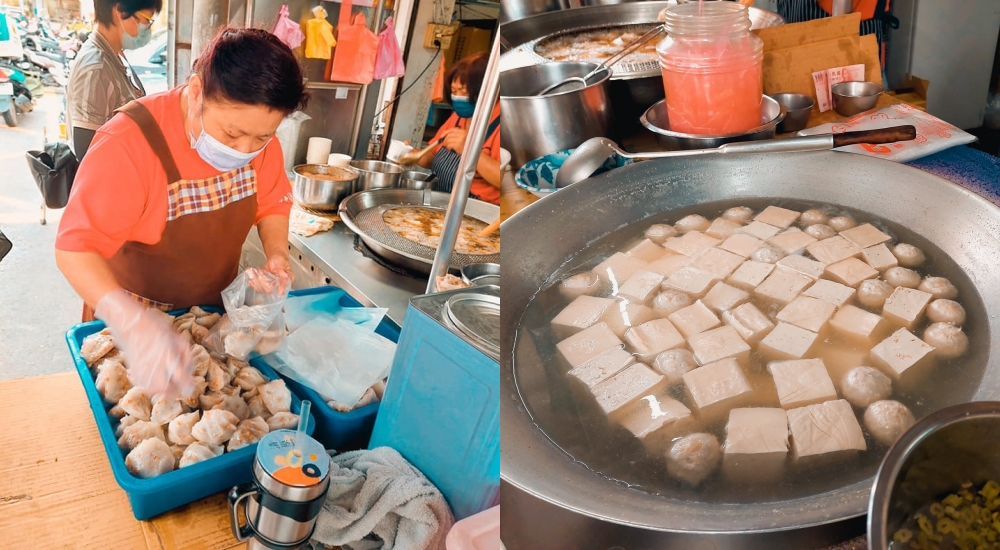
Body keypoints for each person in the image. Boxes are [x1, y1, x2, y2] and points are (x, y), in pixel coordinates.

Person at [55, 28, 307, 397]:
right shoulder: (128, 143)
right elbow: (74, 249)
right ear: (195, 91)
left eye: (262, 138)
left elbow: (271, 200)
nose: (245, 149)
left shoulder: (257, 139)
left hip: (210, 316)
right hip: (133, 315)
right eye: (232, 133)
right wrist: (133, 325)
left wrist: (277, 253)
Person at [66, 0, 160, 159]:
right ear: (120, 12)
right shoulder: (96, 68)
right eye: (146, 20)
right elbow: (87, 153)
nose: (147, 28)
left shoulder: (114, 55)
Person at [405, 52, 501, 205]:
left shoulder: (504, 123)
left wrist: (470, 150)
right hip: (442, 202)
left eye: (464, 91)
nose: (458, 97)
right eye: (454, 91)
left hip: (480, 212)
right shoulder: (459, 117)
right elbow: (432, 157)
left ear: (488, 89)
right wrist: (414, 156)